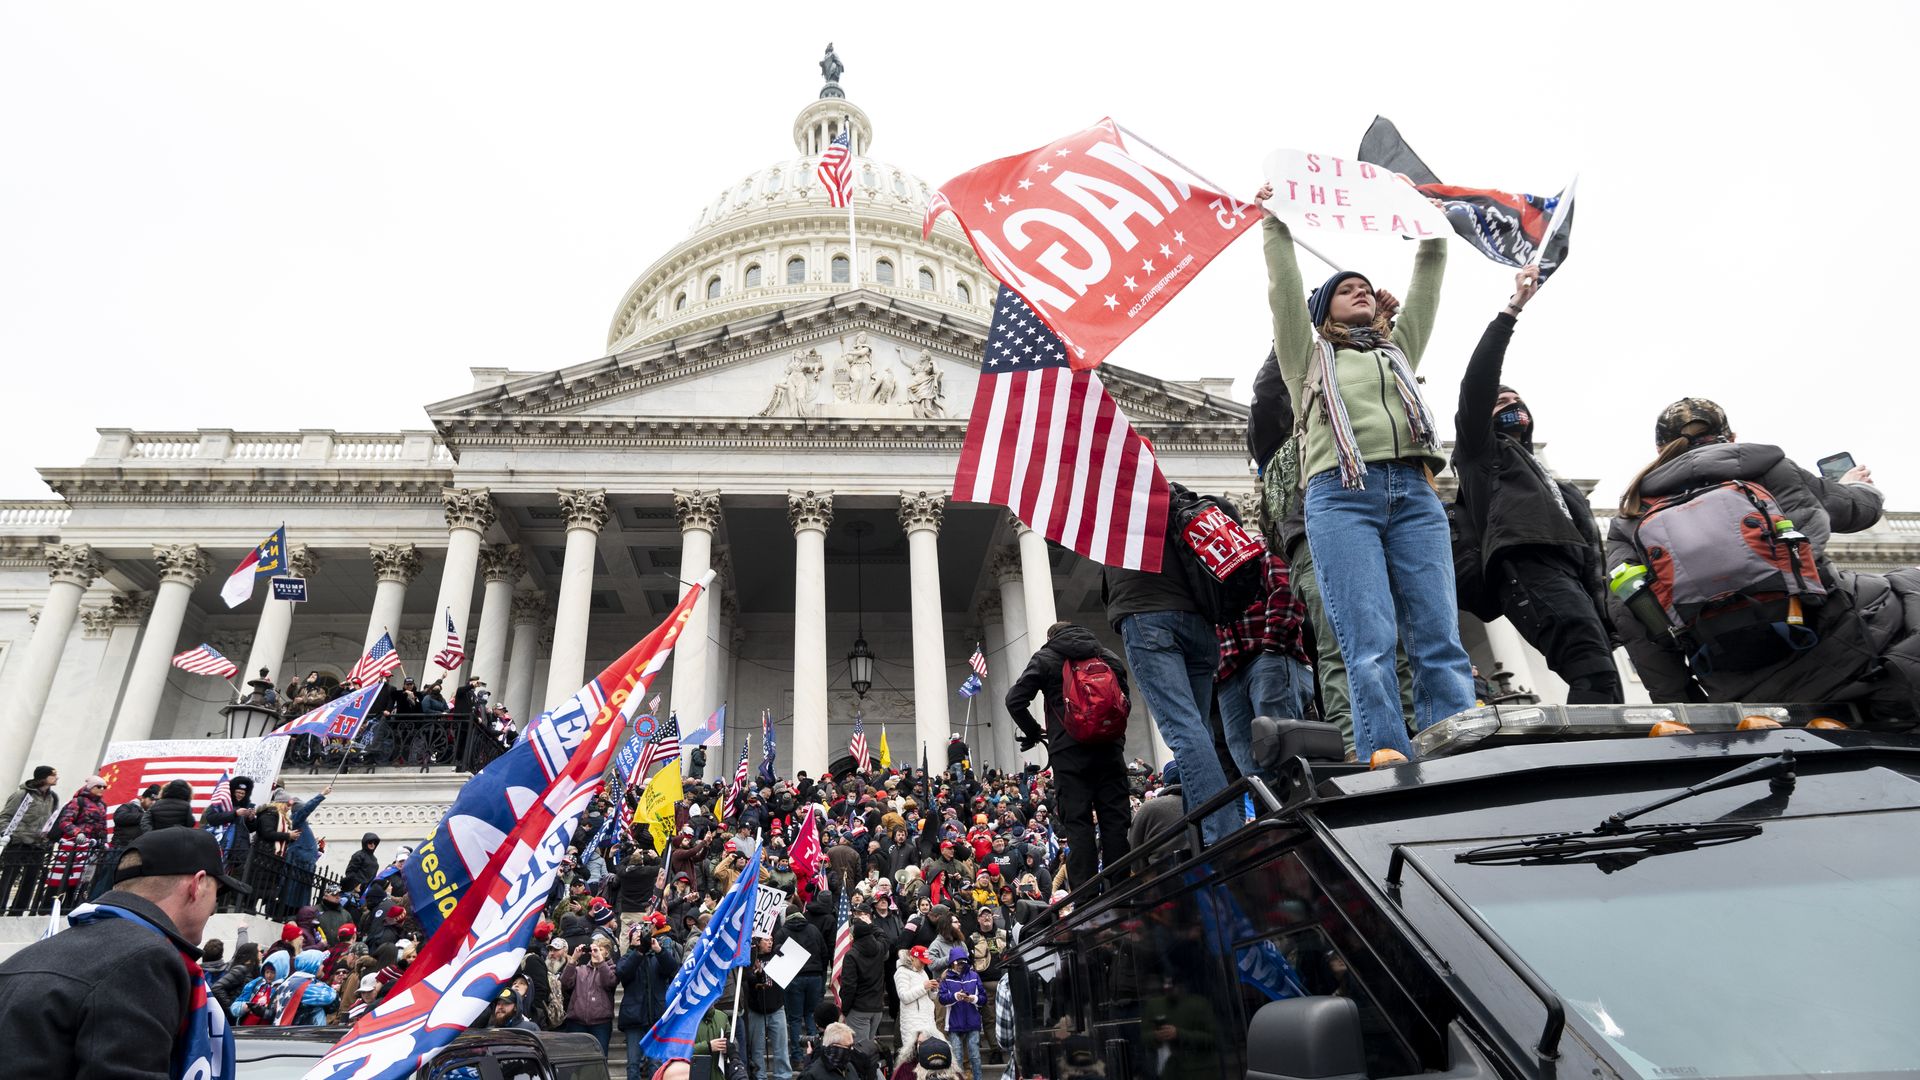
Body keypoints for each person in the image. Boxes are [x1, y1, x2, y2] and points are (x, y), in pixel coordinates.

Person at [1255, 181, 1475, 764]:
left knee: (1437, 633)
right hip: (1339, 496)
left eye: (1364, 289)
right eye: (1342, 290)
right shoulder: (1306, 358)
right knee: (1368, 639)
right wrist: (1274, 221)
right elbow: (1284, 290)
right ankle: (1384, 749)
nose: (1356, 291)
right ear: (1324, 310)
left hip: (1413, 490)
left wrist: (1429, 222)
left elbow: (1429, 276)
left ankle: (1457, 742)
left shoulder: (1397, 352)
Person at [1607, 398, 1920, 711]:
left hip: (1734, 681)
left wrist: (1685, 706)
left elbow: (1633, 621)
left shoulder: (1631, 515)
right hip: (1835, 646)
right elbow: (1858, 512)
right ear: (1730, 437)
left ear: (1660, 449)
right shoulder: (1767, 469)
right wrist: (1861, 488)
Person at [1451, 267, 1621, 703]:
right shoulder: (1480, 456)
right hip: (1528, 571)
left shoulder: (1547, 478)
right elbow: (1478, 381)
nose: (1514, 405)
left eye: (1517, 399)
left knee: (1602, 678)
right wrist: (1511, 311)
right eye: (1501, 401)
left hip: (1569, 574)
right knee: (1594, 675)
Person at [0, 826, 245, 1078]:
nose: (214, 908)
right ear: (197, 885)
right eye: (217, 893)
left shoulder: (26, 956)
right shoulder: (146, 959)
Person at [1006, 621, 1135, 891]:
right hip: (1109, 750)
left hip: (1068, 753)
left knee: (1078, 825)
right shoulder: (1106, 656)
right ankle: (1121, 892)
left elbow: (1014, 699)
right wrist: (1112, 734)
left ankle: (1086, 900)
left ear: (1052, 636)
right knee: (1115, 822)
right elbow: (1124, 701)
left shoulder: (1046, 657)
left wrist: (1034, 733)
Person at [618, 915, 684, 1079]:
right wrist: (638, 951)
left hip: (656, 1017)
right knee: (633, 1063)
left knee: (655, 1063)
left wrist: (659, 951)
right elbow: (623, 973)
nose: (642, 939)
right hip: (634, 1019)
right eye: (637, 936)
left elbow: (672, 969)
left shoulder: (657, 957)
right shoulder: (628, 957)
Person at [0, 764, 60, 913]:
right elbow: (5, 816)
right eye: (53, 774)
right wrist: (9, 834)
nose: (57, 777)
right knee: (9, 878)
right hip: (19, 843)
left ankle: (18, 911)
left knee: (30, 880)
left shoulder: (53, 797)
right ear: (43, 777)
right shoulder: (22, 794)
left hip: (38, 845)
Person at [745, 934, 793, 1080]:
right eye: (766, 940)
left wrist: (781, 951)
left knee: (781, 1047)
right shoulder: (750, 960)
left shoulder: (776, 957)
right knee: (757, 1048)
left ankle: (783, 1076)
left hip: (777, 1007)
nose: (770, 943)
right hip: (756, 1009)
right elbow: (749, 980)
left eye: (771, 940)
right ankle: (760, 1076)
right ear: (758, 942)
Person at [561, 936, 619, 1053]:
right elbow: (565, 983)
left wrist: (601, 962)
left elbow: (610, 982)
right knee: (575, 1061)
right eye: (593, 950)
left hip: (600, 1023)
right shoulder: (580, 969)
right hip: (577, 1022)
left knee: (599, 1060)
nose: (595, 953)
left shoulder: (612, 969)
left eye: (600, 949)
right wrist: (573, 960)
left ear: (607, 952)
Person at [282, 784, 331, 913]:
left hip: (305, 864)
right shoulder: (297, 819)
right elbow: (306, 809)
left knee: (301, 895)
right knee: (294, 894)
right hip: (299, 864)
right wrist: (322, 795)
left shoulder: (301, 823)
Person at [937, 952, 984, 1080]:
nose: (961, 965)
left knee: (975, 1056)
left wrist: (973, 999)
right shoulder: (946, 978)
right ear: (952, 962)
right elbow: (941, 998)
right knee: (957, 1058)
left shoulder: (974, 976)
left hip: (972, 1021)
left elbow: (983, 998)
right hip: (954, 1023)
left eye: (963, 962)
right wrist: (955, 996)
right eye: (958, 962)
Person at [893, 945, 940, 1067]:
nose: (924, 965)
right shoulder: (901, 972)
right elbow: (904, 997)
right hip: (912, 1022)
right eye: (921, 961)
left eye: (925, 962)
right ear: (913, 958)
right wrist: (924, 987)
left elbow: (931, 997)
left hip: (927, 1020)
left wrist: (933, 989)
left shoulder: (923, 972)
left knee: (929, 1057)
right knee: (913, 1059)